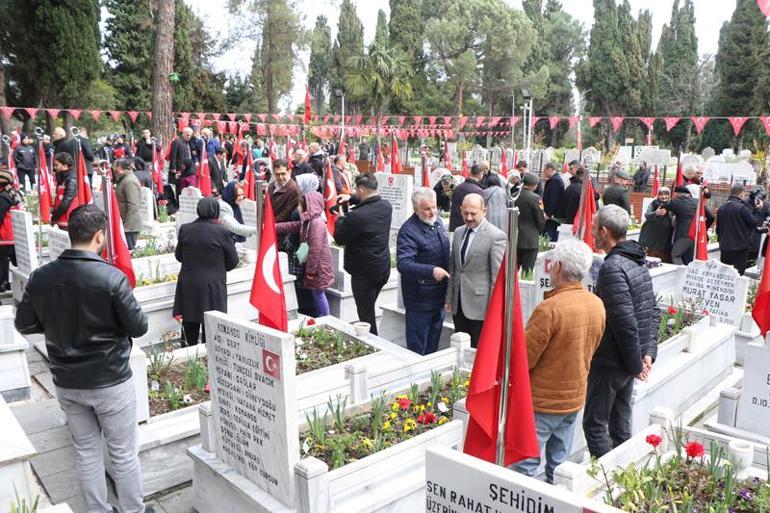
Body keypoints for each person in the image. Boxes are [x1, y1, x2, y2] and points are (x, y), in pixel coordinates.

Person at [15, 205, 152, 513]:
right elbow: (139, 326)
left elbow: (25, 324)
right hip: (110, 380)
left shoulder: (42, 277)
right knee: (123, 453)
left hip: (67, 379)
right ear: (100, 236)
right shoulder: (111, 278)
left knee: (87, 450)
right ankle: (133, 510)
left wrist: (55, 327)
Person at [514, 239, 605, 483]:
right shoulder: (597, 304)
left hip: (542, 402)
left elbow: (524, 359)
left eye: (552, 263)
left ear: (558, 267)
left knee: (525, 466)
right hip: (573, 398)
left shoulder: (550, 309)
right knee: (559, 465)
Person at [583, 205, 659, 458]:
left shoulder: (613, 266)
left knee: (594, 425)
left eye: (594, 228)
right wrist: (645, 354)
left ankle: (608, 482)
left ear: (605, 231)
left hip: (612, 361)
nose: (592, 233)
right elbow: (651, 309)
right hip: (628, 360)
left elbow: (624, 321)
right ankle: (625, 469)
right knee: (619, 424)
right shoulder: (636, 260)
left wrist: (638, 363)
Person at [173, 197, 239, 346]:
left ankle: (188, 355)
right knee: (212, 325)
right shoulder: (222, 232)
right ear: (216, 211)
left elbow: (179, 256)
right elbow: (233, 261)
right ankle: (208, 358)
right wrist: (218, 268)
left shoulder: (186, 228)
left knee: (189, 322)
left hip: (189, 283)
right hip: (213, 285)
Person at [333, 174, 392, 335]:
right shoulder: (386, 206)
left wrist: (339, 219)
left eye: (356, 191)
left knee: (365, 315)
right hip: (382, 269)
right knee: (368, 307)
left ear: (361, 190)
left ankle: (373, 344)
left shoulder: (356, 216)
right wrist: (351, 198)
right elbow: (369, 202)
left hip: (363, 275)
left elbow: (339, 238)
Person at [445, 193, 506, 347]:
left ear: (484, 211)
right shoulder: (459, 232)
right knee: (460, 346)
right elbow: (454, 268)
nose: (469, 217)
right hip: (459, 305)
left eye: (473, 213)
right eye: (466, 213)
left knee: (478, 348)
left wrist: (494, 309)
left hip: (480, 307)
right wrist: (450, 298)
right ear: (460, 210)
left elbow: (496, 277)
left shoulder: (495, 236)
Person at [396, 188, 450, 355]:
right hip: (420, 300)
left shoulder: (438, 222)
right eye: (427, 209)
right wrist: (431, 271)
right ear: (415, 209)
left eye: (434, 207)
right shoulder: (408, 231)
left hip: (438, 296)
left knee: (433, 345)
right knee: (418, 348)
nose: (432, 212)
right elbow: (403, 264)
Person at [276, 190, 334, 317]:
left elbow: (315, 250)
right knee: (316, 294)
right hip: (316, 268)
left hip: (319, 268)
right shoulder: (307, 221)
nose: (298, 207)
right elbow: (291, 226)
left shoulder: (316, 224)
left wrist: (310, 272)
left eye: (300, 205)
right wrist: (272, 227)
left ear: (309, 206)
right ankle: (322, 318)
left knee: (318, 294)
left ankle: (326, 320)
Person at [716, 183, 762, 275]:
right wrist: (757, 210)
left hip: (725, 247)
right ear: (741, 194)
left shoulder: (721, 208)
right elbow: (753, 222)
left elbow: (718, 229)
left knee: (724, 275)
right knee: (738, 275)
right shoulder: (742, 208)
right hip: (740, 248)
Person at [668, 186, 714, 265]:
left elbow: (662, 208)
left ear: (677, 194)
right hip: (698, 235)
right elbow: (711, 217)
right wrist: (703, 228)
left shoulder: (675, 202)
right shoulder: (698, 202)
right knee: (693, 259)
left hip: (685, 235)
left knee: (675, 255)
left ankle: (682, 274)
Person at [516, 172, 546, 273]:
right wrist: (540, 230)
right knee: (527, 272)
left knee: (513, 270)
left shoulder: (514, 195)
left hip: (515, 237)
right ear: (534, 185)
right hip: (530, 239)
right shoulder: (536, 198)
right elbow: (540, 219)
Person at [113, 159, 143, 250]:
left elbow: (133, 206)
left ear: (120, 167)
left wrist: (127, 227)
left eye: (115, 166)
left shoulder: (129, 181)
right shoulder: (124, 179)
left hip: (130, 226)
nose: (113, 169)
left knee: (128, 251)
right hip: (125, 222)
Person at [638, 187, 674, 263]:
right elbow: (647, 215)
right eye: (661, 195)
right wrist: (656, 213)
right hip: (652, 236)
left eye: (666, 194)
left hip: (666, 237)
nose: (664, 197)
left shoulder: (672, 204)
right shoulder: (654, 203)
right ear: (658, 195)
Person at [0, 171, 20, 289]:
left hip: (5, 233)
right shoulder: (10, 193)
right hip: (11, 233)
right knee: (10, 258)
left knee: (2, 259)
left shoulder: (3, 197)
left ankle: (3, 283)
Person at [448, 164, 484, 231]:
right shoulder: (478, 191)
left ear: (470, 172)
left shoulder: (458, 188)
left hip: (455, 225)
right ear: (480, 174)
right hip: (469, 228)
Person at [51, 152, 78, 231]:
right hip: (63, 218)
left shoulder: (71, 180)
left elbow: (66, 201)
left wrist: (55, 216)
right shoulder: (62, 177)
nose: (54, 168)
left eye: (57, 165)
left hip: (68, 220)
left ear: (65, 166)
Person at [542, 162, 564, 241]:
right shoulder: (554, 179)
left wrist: (548, 214)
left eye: (545, 170)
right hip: (550, 215)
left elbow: (553, 199)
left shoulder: (556, 181)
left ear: (550, 169)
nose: (544, 172)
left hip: (552, 216)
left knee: (549, 236)